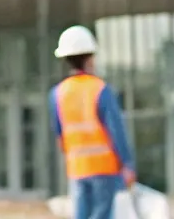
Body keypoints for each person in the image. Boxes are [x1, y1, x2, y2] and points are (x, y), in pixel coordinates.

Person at [50, 26, 136, 219]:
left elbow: (60, 136)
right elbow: (116, 131)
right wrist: (128, 164)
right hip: (103, 167)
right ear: (90, 58)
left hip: (77, 168)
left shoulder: (57, 94)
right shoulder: (100, 89)